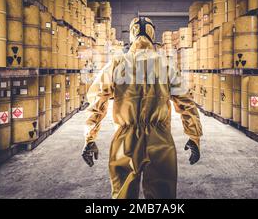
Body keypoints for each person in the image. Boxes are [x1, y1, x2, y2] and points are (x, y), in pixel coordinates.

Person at [82, 17, 203, 199]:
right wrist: (194, 136)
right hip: (160, 140)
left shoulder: (117, 63)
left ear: (131, 34)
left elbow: (97, 101)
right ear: (153, 34)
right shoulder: (167, 65)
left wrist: (89, 138)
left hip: (125, 141)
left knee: (123, 196)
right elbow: (187, 103)